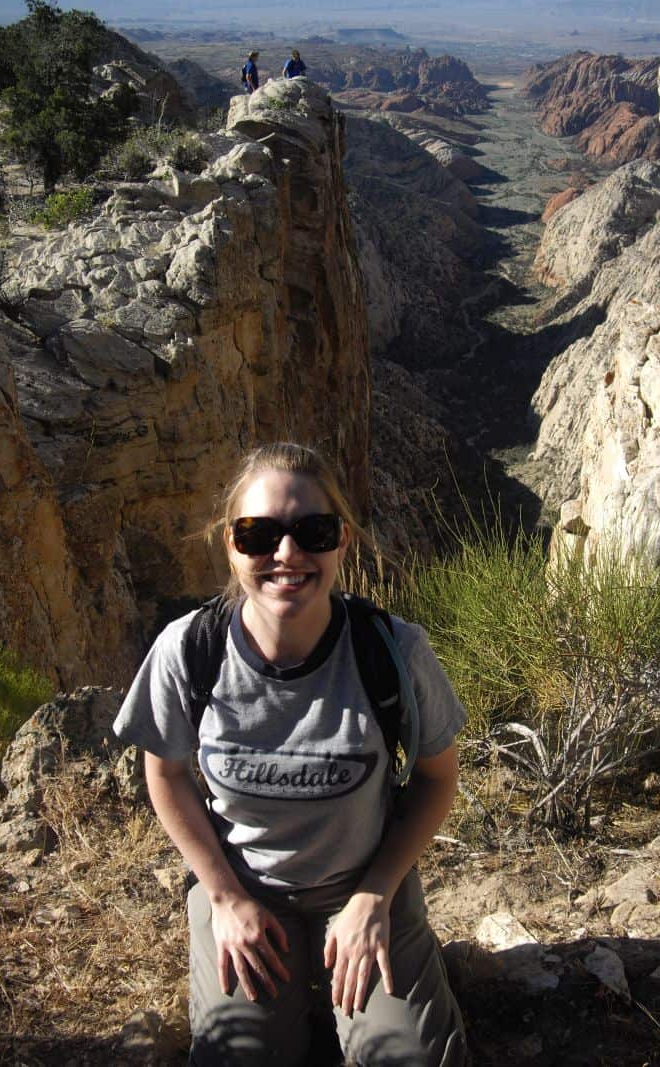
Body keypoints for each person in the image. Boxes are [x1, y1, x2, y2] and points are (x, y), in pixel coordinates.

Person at [113, 442, 468, 1066]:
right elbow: (164, 771)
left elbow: (438, 778)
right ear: (231, 544)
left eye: (313, 531)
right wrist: (223, 896)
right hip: (246, 891)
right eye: (259, 534)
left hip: (361, 887)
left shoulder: (393, 650)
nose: (287, 554)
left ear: (343, 542)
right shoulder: (188, 650)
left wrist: (375, 895)